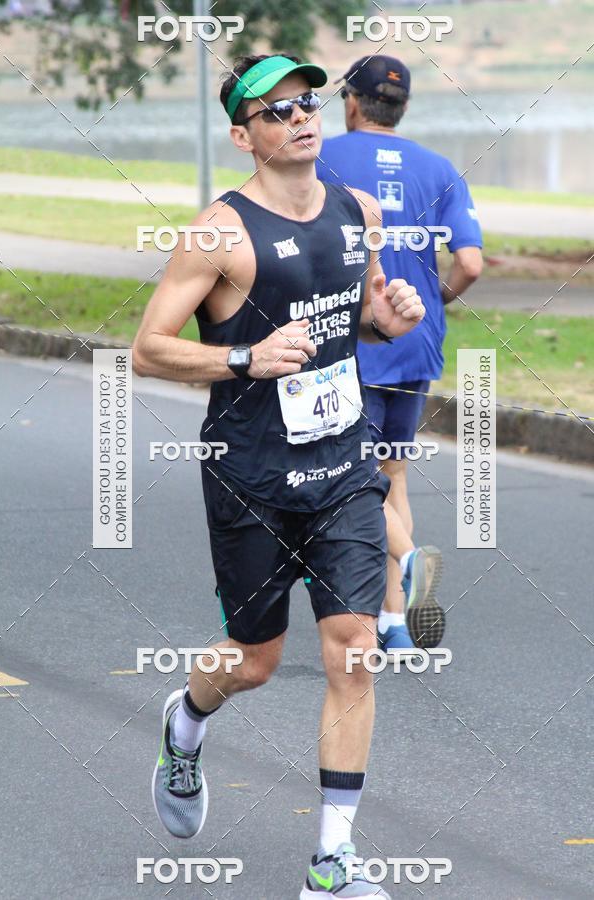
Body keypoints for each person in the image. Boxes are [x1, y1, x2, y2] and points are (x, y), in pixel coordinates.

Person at [132, 53, 427, 899]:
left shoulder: (358, 210)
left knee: (355, 651)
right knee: (255, 661)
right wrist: (244, 358)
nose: (300, 117)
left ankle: (332, 864)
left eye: (308, 103)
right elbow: (148, 348)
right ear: (243, 137)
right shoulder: (218, 234)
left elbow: (356, 319)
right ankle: (186, 722)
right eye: (276, 111)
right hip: (251, 474)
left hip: (343, 467)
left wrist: (386, 318)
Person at [316, 55, 483, 653]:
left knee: (351, 479)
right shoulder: (439, 168)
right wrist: (435, 301)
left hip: (351, 340)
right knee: (393, 475)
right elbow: (470, 264)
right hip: (416, 342)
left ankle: (408, 562)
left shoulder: (320, 157)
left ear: (350, 102)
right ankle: (395, 625)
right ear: (403, 106)